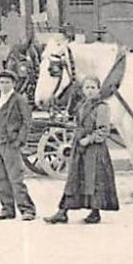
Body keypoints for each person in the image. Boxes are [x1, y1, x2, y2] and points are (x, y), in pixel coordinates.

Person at [46, 75, 119, 224]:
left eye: (93, 87)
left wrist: (89, 139)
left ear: (98, 89)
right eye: (87, 87)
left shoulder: (102, 107)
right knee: (74, 178)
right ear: (83, 89)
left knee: (94, 180)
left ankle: (95, 212)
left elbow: (104, 130)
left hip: (95, 150)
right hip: (79, 147)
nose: (90, 91)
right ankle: (62, 212)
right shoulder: (82, 105)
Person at [0, 69, 37, 221]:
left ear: (13, 83)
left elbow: (27, 122)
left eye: (7, 82)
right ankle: (7, 208)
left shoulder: (19, 99)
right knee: (0, 178)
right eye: (1, 82)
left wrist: (19, 140)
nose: (4, 85)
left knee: (15, 178)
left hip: (10, 143)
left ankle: (27, 209)